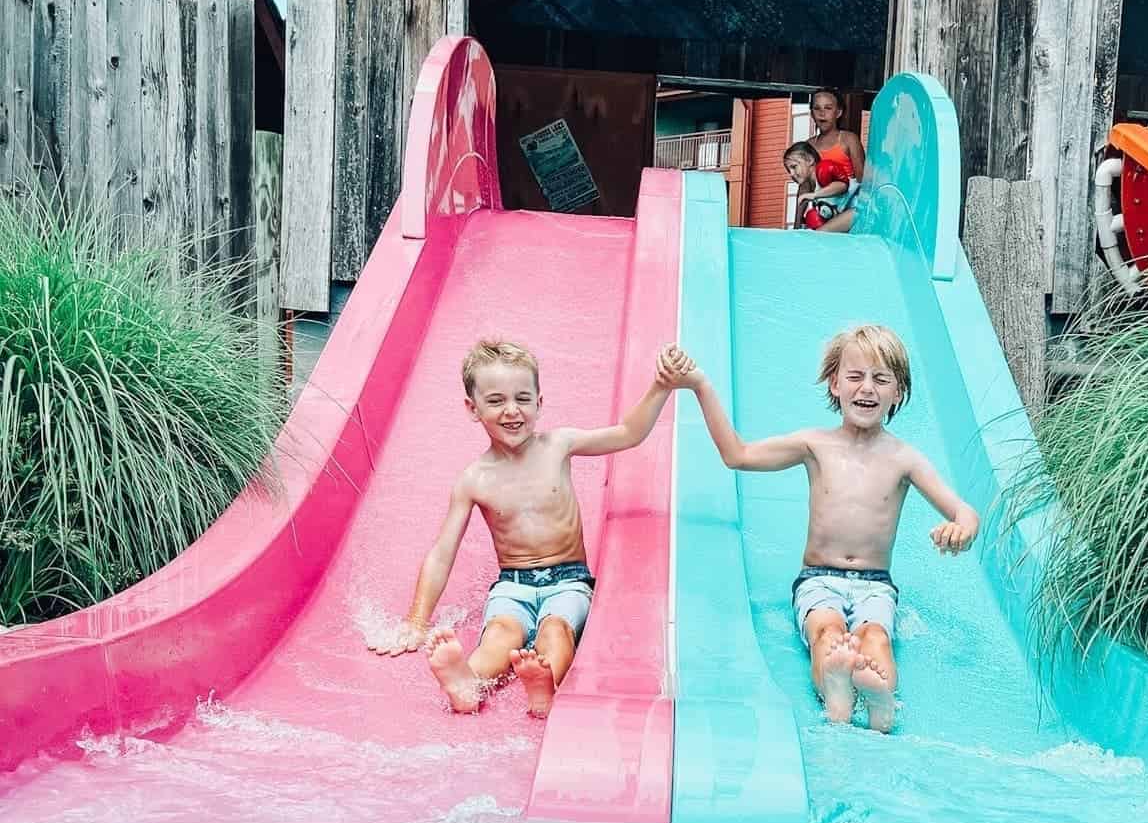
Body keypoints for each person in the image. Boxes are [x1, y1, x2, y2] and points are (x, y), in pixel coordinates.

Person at [657, 325, 980, 733]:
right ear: (835, 383)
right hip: (818, 579)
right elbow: (736, 454)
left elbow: (963, 512)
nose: (867, 388)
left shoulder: (905, 458)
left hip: (876, 584)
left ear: (898, 392)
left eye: (881, 379)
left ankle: (881, 703)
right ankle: (838, 696)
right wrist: (699, 384)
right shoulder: (815, 445)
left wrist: (961, 530)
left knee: (875, 637)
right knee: (826, 633)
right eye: (855, 376)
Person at [368, 338, 681, 717]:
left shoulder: (558, 445)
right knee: (501, 632)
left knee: (556, 630)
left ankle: (543, 684)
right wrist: (417, 620)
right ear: (473, 408)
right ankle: (468, 680)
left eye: (523, 398)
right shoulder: (473, 479)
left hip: (569, 581)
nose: (512, 411)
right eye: (496, 401)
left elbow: (628, 432)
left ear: (539, 402)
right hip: (512, 584)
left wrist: (660, 386)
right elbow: (442, 553)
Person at [806, 89, 867, 235]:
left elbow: (865, 181)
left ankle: (821, 233)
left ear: (838, 113)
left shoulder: (848, 139)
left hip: (848, 208)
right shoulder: (809, 145)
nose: (822, 113)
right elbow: (805, 187)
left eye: (828, 108)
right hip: (823, 210)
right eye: (817, 108)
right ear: (812, 113)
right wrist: (796, 225)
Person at [784, 140, 857, 231]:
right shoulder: (814, 189)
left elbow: (842, 186)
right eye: (788, 170)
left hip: (859, 210)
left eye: (794, 167)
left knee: (819, 233)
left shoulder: (823, 170)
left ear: (810, 160)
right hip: (848, 217)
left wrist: (814, 195)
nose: (791, 174)